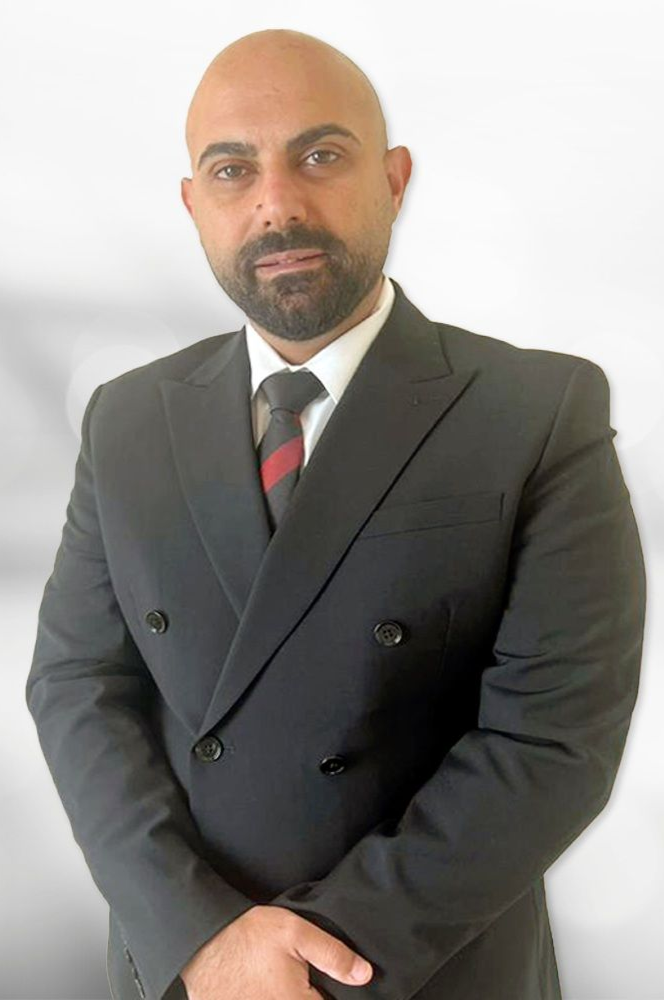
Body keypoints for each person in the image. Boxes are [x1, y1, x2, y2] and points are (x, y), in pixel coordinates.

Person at [26, 27, 647, 1000]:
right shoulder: (126, 418)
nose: (276, 202)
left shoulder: (538, 410)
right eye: (232, 169)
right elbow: (75, 688)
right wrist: (204, 937)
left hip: (423, 971)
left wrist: (312, 961)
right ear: (194, 206)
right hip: (188, 971)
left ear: (394, 178)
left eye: (319, 154)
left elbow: (553, 739)